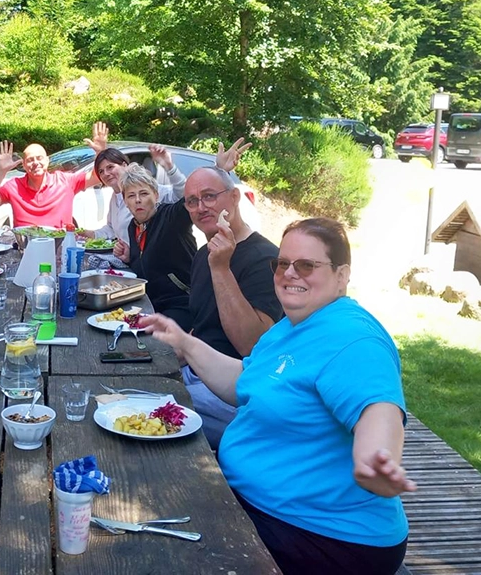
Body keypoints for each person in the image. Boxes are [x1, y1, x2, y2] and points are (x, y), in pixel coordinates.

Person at [143, 217, 415, 575]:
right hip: (263, 507)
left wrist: (376, 458)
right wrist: (184, 341)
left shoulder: (352, 337)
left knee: (155, 551)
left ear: (341, 275)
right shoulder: (291, 326)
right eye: (282, 263)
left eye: (306, 265)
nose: (290, 273)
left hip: (324, 538)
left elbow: (378, 409)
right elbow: (245, 382)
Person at [180, 165, 282, 448]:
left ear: (235, 198)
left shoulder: (267, 259)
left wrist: (221, 268)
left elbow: (251, 345)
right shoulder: (203, 254)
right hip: (193, 374)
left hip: (232, 394)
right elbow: (203, 324)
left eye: (210, 196)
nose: (201, 207)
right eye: (192, 201)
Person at [0, 122, 109, 228]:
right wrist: (1, 171)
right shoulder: (14, 186)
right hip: (26, 245)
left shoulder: (65, 181)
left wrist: (101, 153)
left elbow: (97, 177)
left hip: (60, 245)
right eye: (30, 160)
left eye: (39, 158)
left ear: (47, 161)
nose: (35, 163)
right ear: (24, 165)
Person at [112, 164, 197, 325]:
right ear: (125, 201)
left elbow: (192, 198)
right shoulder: (134, 226)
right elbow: (147, 267)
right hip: (149, 303)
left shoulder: (171, 217)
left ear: (156, 196)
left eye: (143, 193)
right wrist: (130, 258)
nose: (137, 200)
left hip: (182, 305)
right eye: (131, 195)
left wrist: (219, 168)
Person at [77, 144, 186, 241]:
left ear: (124, 165)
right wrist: (92, 234)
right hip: (130, 260)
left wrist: (169, 166)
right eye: (101, 171)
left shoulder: (146, 188)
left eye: (110, 167)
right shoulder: (115, 197)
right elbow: (112, 228)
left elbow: (182, 194)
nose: (106, 173)